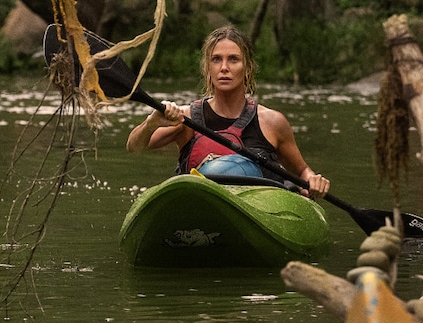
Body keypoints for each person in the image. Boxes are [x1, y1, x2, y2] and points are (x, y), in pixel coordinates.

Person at [125, 25, 330, 199]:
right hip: (202, 206)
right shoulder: (185, 119)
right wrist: (152, 122)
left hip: (259, 211)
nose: (224, 67)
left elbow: (302, 171)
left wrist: (312, 181)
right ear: (208, 69)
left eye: (233, 59)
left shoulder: (272, 122)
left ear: (247, 68)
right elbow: (134, 147)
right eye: (216, 60)